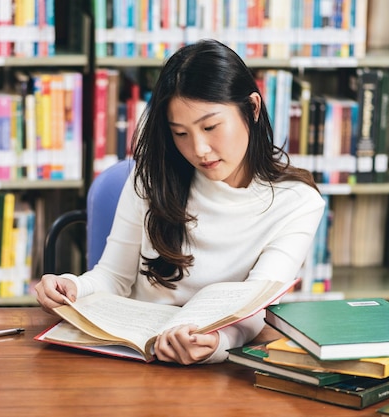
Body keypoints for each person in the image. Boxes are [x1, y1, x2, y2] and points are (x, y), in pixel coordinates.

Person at [35, 39, 325, 365]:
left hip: (220, 368)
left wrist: (214, 344)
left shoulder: (298, 203)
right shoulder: (152, 177)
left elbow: (253, 309)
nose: (199, 149)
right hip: (131, 356)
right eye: (181, 133)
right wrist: (71, 286)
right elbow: (113, 277)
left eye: (210, 127)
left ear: (253, 109)